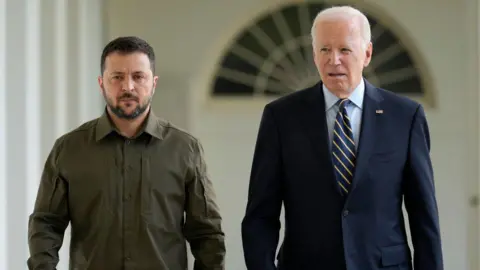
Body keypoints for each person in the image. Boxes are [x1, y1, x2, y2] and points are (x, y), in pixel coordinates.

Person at [241, 6, 443, 270]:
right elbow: (260, 215)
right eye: (324, 49)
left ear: (367, 53)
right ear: (314, 55)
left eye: (344, 50)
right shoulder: (281, 117)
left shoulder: (405, 117)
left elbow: (423, 214)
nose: (333, 60)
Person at [27, 36, 225, 270]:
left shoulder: (186, 149)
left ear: (154, 83)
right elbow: (45, 225)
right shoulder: (68, 149)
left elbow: (207, 233)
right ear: (102, 83)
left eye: (138, 77)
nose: (128, 87)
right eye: (117, 77)